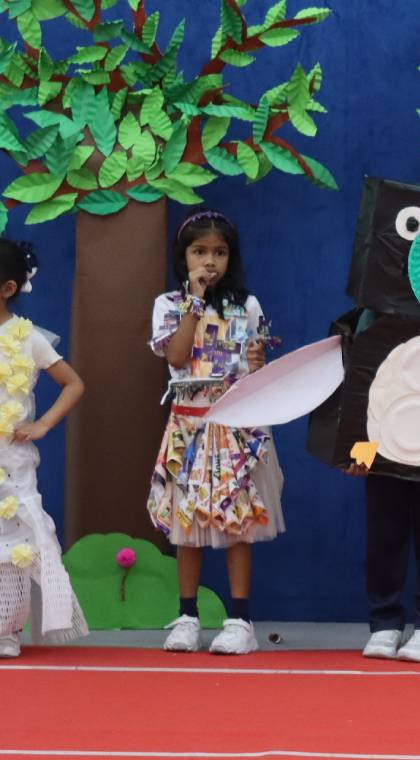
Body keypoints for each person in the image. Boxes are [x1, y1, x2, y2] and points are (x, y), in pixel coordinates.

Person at [149, 209, 281, 655]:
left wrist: (257, 364)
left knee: (236, 522)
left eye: (220, 253)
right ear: (183, 257)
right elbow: (176, 356)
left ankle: (240, 621)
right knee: (187, 524)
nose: (210, 262)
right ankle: (187, 616)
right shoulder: (169, 305)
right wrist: (193, 302)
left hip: (234, 424)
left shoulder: (246, 305)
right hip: (188, 427)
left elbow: (253, 368)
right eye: (199, 252)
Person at [0, 239, 86, 655]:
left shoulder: (27, 338)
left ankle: (7, 628)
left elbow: (73, 384)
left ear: (8, 288)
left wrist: (43, 424)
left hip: (11, 460)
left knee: (15, 540)